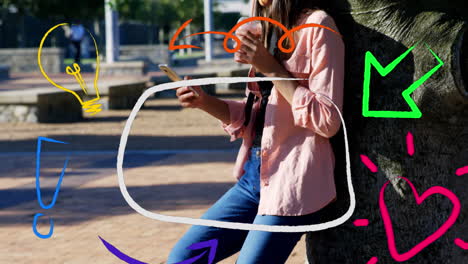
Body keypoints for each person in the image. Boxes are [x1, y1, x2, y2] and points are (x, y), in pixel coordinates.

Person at [168, 0, 345, 262]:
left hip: (293, 181)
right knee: (183, 258)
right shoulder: (262, 29)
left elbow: (327, 120)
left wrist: (271, 67)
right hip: (254, 178)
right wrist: (204, 102)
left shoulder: (318, 26)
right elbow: (257, 115)